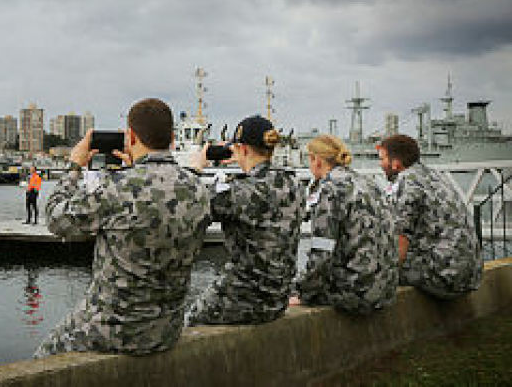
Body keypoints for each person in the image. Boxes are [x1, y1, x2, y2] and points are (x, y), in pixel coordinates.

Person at [34, 98, 210, 357]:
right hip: (166, 331)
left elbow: (56, 220)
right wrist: (134, 168)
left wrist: (74, 167)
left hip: (114, 330)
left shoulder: (116, 186)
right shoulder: (198, 188)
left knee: (44, 357)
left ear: (131, 137)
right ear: (172, 139)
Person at [186, 115, 303, 325]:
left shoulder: (243, 191)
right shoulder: (293, 183)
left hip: (245, 297)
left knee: (192, 319)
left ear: (244, 149)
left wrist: (195, 169)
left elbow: (187, 207)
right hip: (278, 297)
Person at [293, 135, 398, 314]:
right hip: (386, 289)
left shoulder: (329, 189)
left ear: (316, 160)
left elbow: (322, 253)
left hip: (358, 292)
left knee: (284, 291)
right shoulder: (367, 182)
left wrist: (303, 293)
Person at [378, 134, 482, 299]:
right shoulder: (435, 175)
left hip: (444, 277)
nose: (380, 164)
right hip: (470, 275)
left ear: (396, 163)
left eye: (382, 159)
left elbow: (399, 240)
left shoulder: (406, 182)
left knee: (368, 271)